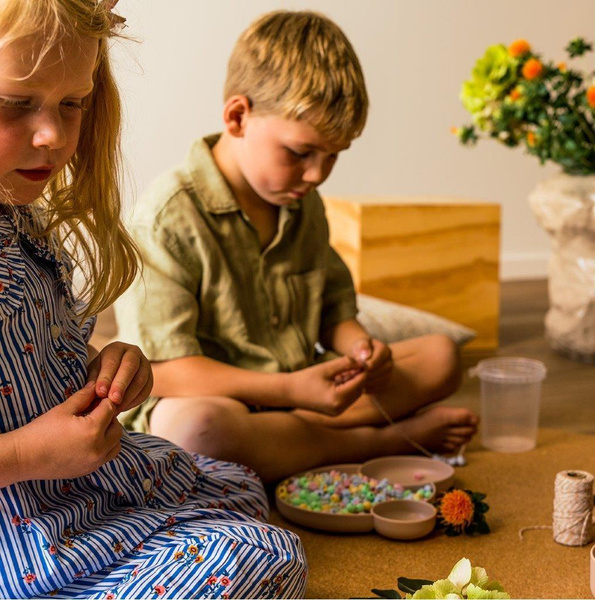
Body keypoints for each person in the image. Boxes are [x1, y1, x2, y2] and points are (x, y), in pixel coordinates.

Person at [0, 1, 306, 598]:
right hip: (24, 526)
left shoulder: (18, 214)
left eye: (73, 103)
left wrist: (105, 369)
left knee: (242, 489)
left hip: (78, 481)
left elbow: (32, 358)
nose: (53, 135)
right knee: (263, 558)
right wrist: (26, 455)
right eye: (14, 103)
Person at [115, 10, 479, 485]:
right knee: (195, 430)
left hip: (306, 386)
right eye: (301, 152)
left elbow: (334, 310)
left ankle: (296, 440)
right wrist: (288, 390)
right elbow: (163, 371)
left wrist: (360, 349)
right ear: (238, 117)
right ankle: (377, 442)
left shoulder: (303, 203)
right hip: (222, 401)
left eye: (333, 156)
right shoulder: (166, 217)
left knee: (440, 356)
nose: (317, 175)